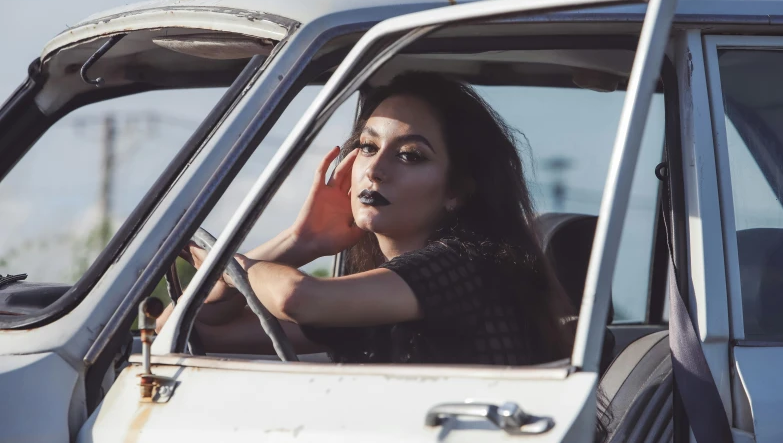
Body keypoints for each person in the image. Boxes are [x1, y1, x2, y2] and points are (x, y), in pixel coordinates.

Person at [157, 71, 574, 366]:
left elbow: (298, 298)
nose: (375, 170)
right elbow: (187, 329)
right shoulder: (377, 300)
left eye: (410, 155)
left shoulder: (466, 264)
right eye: (368, 147)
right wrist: (301, 241)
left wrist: (232, 266)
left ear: (456, 191)